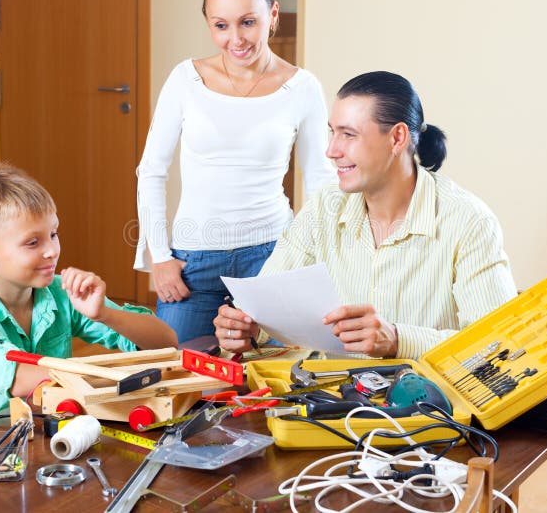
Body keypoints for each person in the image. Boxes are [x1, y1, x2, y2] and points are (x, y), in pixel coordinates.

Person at [214, 71, 517, 360]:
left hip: (429, 406)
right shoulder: (324, 208)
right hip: (330, 400)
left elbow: (495, 345)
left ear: (397, 138)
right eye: (333, 132)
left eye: (348, 135)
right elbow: (263, 308)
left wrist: (398, 339)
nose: (331, 150)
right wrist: (244, 329)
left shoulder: (469, 221)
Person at [135, 0, 335, 342]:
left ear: (272, 14)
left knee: (275, 384)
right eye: (221, 26)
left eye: (248, 22)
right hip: (193, 261)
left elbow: (320, 181)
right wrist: (160, 258)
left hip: (275, 257)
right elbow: (151, 171)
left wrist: (311, 259)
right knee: (182, 380)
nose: (236, 39)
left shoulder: (303, 87)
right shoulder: (185, 79)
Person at [0, 162, 177, 443]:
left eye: (53, 234)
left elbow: (166, 342)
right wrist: (108, 378)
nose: (52, 251)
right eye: (32, 243)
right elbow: (16, 378)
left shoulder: (58, 292)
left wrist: (103, 314)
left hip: (30, 441)